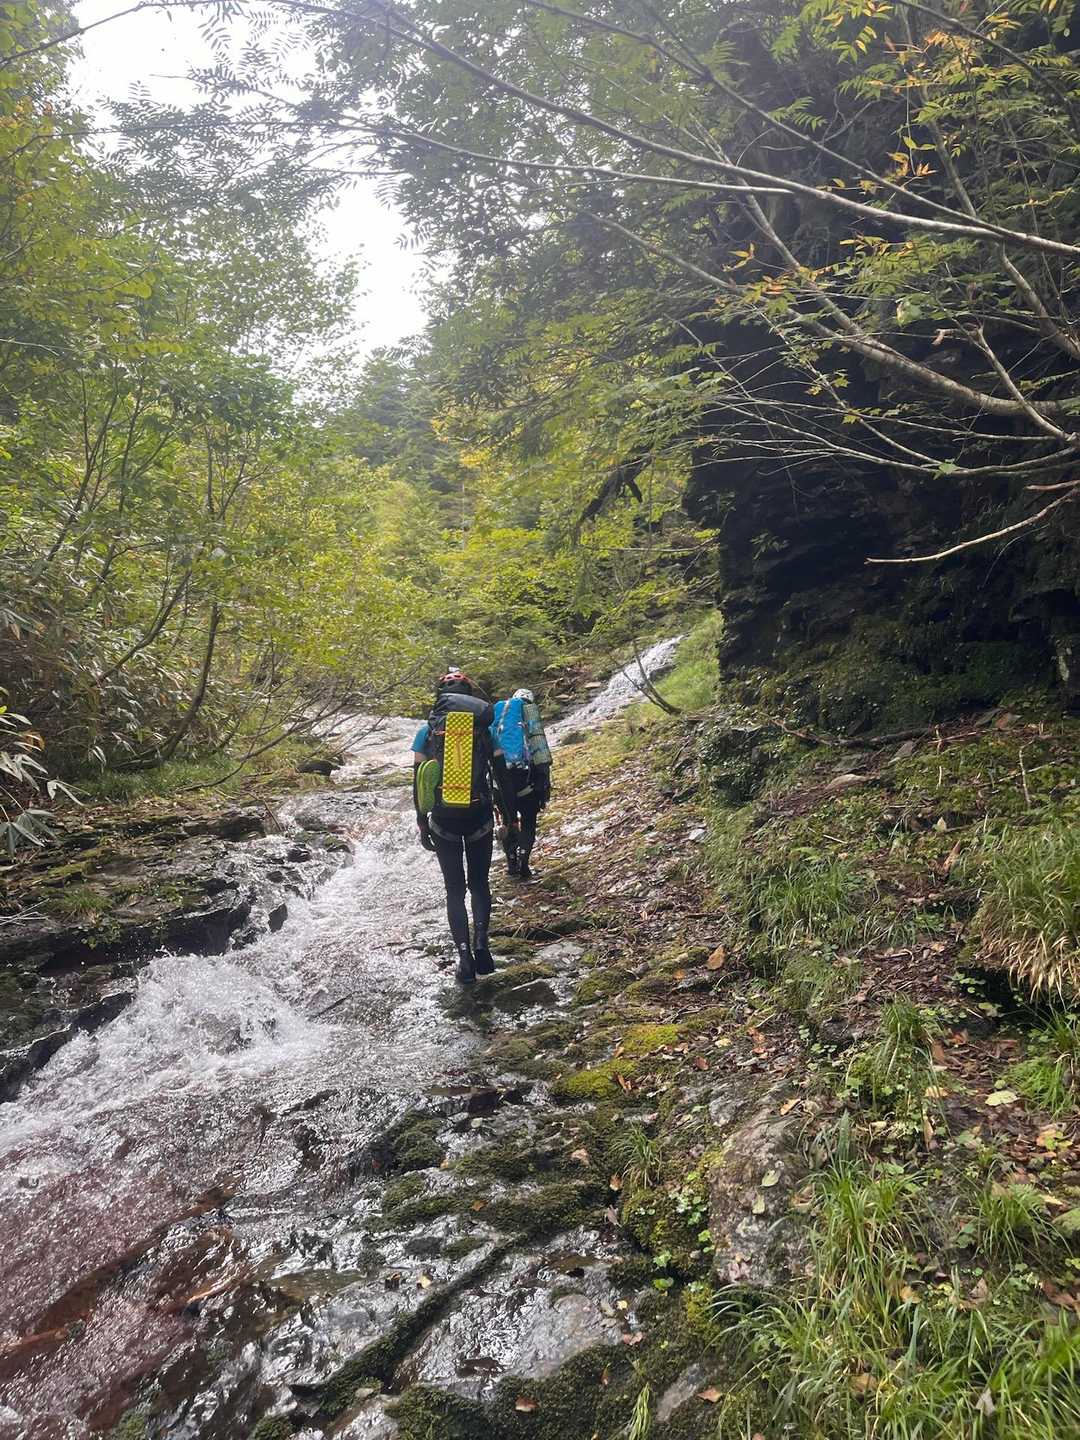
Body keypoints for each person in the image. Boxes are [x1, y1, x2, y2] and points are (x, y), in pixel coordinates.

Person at [412, 669, 518, 985]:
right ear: (470, 697)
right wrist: (510, 817)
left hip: (443, 819)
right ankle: (482, 942)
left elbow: (418, 783)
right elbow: (502, 777)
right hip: (479, 816)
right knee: (480, 884)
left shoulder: (428, 730)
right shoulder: (484, 730)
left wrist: (422, 822)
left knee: (454, 891)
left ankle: (464, 958)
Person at [491, 686, 552, 880]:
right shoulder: (530, 721)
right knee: (528, 822)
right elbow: (540, 755)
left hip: (500, 782)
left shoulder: (500, 716)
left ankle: (511, 863)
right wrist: (544, 786)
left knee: (508, 821)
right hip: (525, 782)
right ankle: (524, 864)